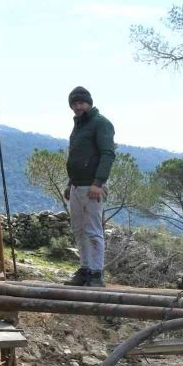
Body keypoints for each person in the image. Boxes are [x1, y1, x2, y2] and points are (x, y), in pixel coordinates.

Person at [63, 86, 115, 287]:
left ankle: (96, 274)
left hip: (92, 187)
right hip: (77, 186)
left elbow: (107, 154)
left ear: (89, 103)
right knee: (78, 229)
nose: (78, 106)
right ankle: (84, 270)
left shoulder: (101, 124)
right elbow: (75, 157)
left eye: (81, 103)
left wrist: (98, 183)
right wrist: (70, 184)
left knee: (93, 231)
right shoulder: (78, 126)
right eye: (74, 104)